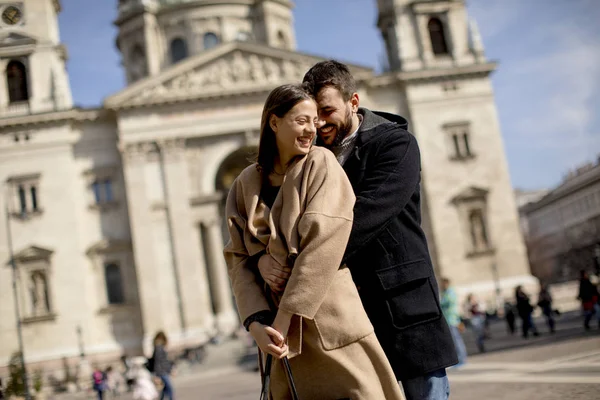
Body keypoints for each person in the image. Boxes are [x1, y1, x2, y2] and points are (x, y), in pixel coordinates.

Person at [256, 61, 457, 400]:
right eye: (312, 114)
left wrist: (296, 265)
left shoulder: (396, 145)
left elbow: (364, 216)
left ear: (354, 102)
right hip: (344, 315)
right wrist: (264, 259)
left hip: (401, 305)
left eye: (327, 111)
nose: (319, 123)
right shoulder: (309, 159)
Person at [224, 84, 404, 399]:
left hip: (329, 325)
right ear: (274, 122)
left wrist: (283, 320)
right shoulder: (244, 184)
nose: (313, 129)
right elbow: (237, 257)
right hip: (277, 341)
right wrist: (255, 322)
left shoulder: (320, 163)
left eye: (315, 120)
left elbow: (321, 245)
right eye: (302, 120)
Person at [440, 278, 467, 367]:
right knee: (456, 341)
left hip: (452, 320)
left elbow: (444, 303)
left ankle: (462, 359)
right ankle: (460, 359)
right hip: (450, 320)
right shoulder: (447, 292)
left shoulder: (450, 293)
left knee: (457, 341)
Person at [151, 331, 174, 400]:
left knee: (165, 389)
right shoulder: (159, 347)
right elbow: (158, 362)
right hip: (162, 372)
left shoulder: (158, 347)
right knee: (169, 388)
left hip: (162, 371)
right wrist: (157, 375)